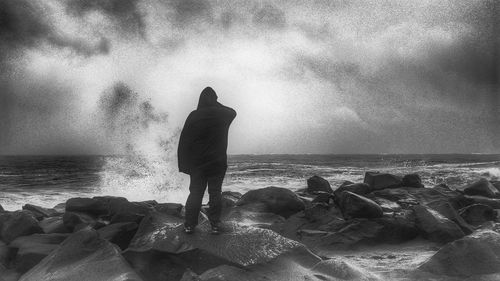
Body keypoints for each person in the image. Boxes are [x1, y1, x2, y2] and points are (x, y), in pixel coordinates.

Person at [178, 87, 236, 234]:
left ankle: (189, 225)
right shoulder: (223, 114)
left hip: (197, 164)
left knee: (195, 193)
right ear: (215, 99)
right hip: (217, 162)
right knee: (215, 193)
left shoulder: (194, 115)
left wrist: (184, 164)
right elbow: (233, 111)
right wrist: (216, 103)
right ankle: (215, 225)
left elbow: (184, 140)